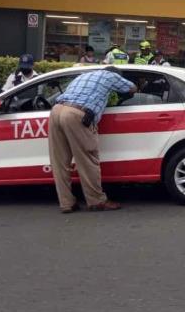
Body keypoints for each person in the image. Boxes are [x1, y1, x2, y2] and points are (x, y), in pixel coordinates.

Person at [48, 67, 137, 213]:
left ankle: (66, 203)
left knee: (59, 161)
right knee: (88, 160)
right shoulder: (110, 76)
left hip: (56, 111)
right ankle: (96, 201)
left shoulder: (84, 75)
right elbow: (132, 88)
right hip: (77, 114)